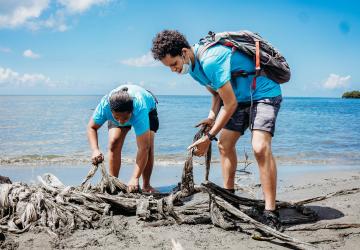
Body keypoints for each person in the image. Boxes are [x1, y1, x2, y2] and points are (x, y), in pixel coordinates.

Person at [151, 30, 283, 230]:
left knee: (259, 148)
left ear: (185, 52)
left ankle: (271, 211)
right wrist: (211, 117)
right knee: (225, 145)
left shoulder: (210, 60)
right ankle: (231, 201)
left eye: (174, 64)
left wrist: (209, 137)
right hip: (240, 98)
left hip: (264, 92)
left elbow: (229, 104)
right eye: (169, 67)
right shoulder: (194, 69)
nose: (173, 70)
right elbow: (217, 96)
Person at [87, 84, 159, 193]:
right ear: (111, 111)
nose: (121, 122)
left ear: (131, 111)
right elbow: (91, 127)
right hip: (121, 109)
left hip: (148, 110)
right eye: (116, 118)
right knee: (114, 143)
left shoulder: (139, 108)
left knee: (148, 146)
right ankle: (113, 184)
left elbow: (143, 148)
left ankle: (146, 185)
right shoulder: (105, 105)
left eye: (125, 118)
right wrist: (95, 150)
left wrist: (135, 178)